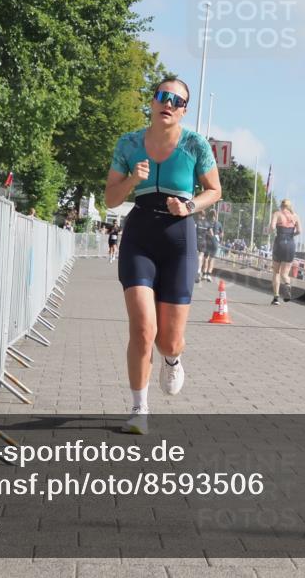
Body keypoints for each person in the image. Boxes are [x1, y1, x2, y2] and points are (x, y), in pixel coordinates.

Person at [104, 79, 221, 434]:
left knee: (167, 338)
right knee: (142, 329)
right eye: (162, 96)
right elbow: (110, 198)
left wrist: (188, 205)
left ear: (183, 109)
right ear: (152, 102)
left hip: (178, 239)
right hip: (139, 235)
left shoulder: (194, 145)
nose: (167, 103)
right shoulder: (129, 143)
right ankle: (139, 409)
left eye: (176, 100)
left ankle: (172, 359)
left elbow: (214, 190)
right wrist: (131, 180)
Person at [268, 199, 301, 305]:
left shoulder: (277, 214)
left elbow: (272, 227)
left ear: (281, 206)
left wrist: (269, 231)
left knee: (276, 272)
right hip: (290, 244)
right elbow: (299, 231)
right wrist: (291, 235)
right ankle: (287, 284)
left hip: (279, 243)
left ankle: (276, 298)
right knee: (284, 274)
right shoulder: (295, 216)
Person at [200, 210, 222, 282]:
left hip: (207, 242)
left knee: (206, 258)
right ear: (216, 216)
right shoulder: (219, 223)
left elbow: (204, 232)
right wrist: (218, 237)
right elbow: (222, 234)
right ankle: (209, 275)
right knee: (211, 259)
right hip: (214, 242)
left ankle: (204, 274)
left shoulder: (206, 222)